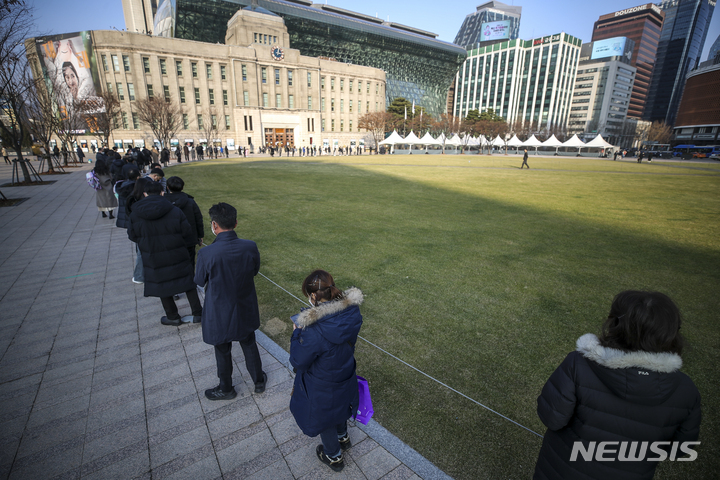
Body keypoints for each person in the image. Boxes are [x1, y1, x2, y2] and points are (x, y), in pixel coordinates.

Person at [533, 291, 701, 480]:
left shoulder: (578, 365)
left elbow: (551, 417)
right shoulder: (687, 390)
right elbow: (678, 449)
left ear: (614, 323)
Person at [289, 270, 364, 473]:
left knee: (325, 417)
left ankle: (333, 456)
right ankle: (343, 437)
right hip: (344, 369)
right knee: (340, 404)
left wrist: (297, 333)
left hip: (322, 380)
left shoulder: (313, 330)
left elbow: (298, 360)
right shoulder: (351, 312)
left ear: (313, 296)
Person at [194, 202, 267, 400]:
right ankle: (258, 380)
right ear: (235, 223)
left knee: (222, 348)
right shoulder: (249, 246)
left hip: (219, 308)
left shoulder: (207, 253)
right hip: (244, 304)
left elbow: (199, 280)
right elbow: (254, 270)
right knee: (248, 342)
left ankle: (226, 387)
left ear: (214, 225)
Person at [128, 181, 203, 325]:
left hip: (153, 253)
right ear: (162, 192)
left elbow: (132, 235)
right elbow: (187, 231)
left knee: (163, 282)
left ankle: (173, 316)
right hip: (175, 251)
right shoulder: (174, 210)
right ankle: (197, 312)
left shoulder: (137, 214)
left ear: (145, 193)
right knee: (187, 281)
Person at [165, 176, 203, 267]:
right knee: (189, 262)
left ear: (167, 187)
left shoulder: (163, 202)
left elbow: (198, 218)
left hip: (170, 238)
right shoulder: (190, 202)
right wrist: (200, 236)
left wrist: (200, 236)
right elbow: (198, 219)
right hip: (188, 238)